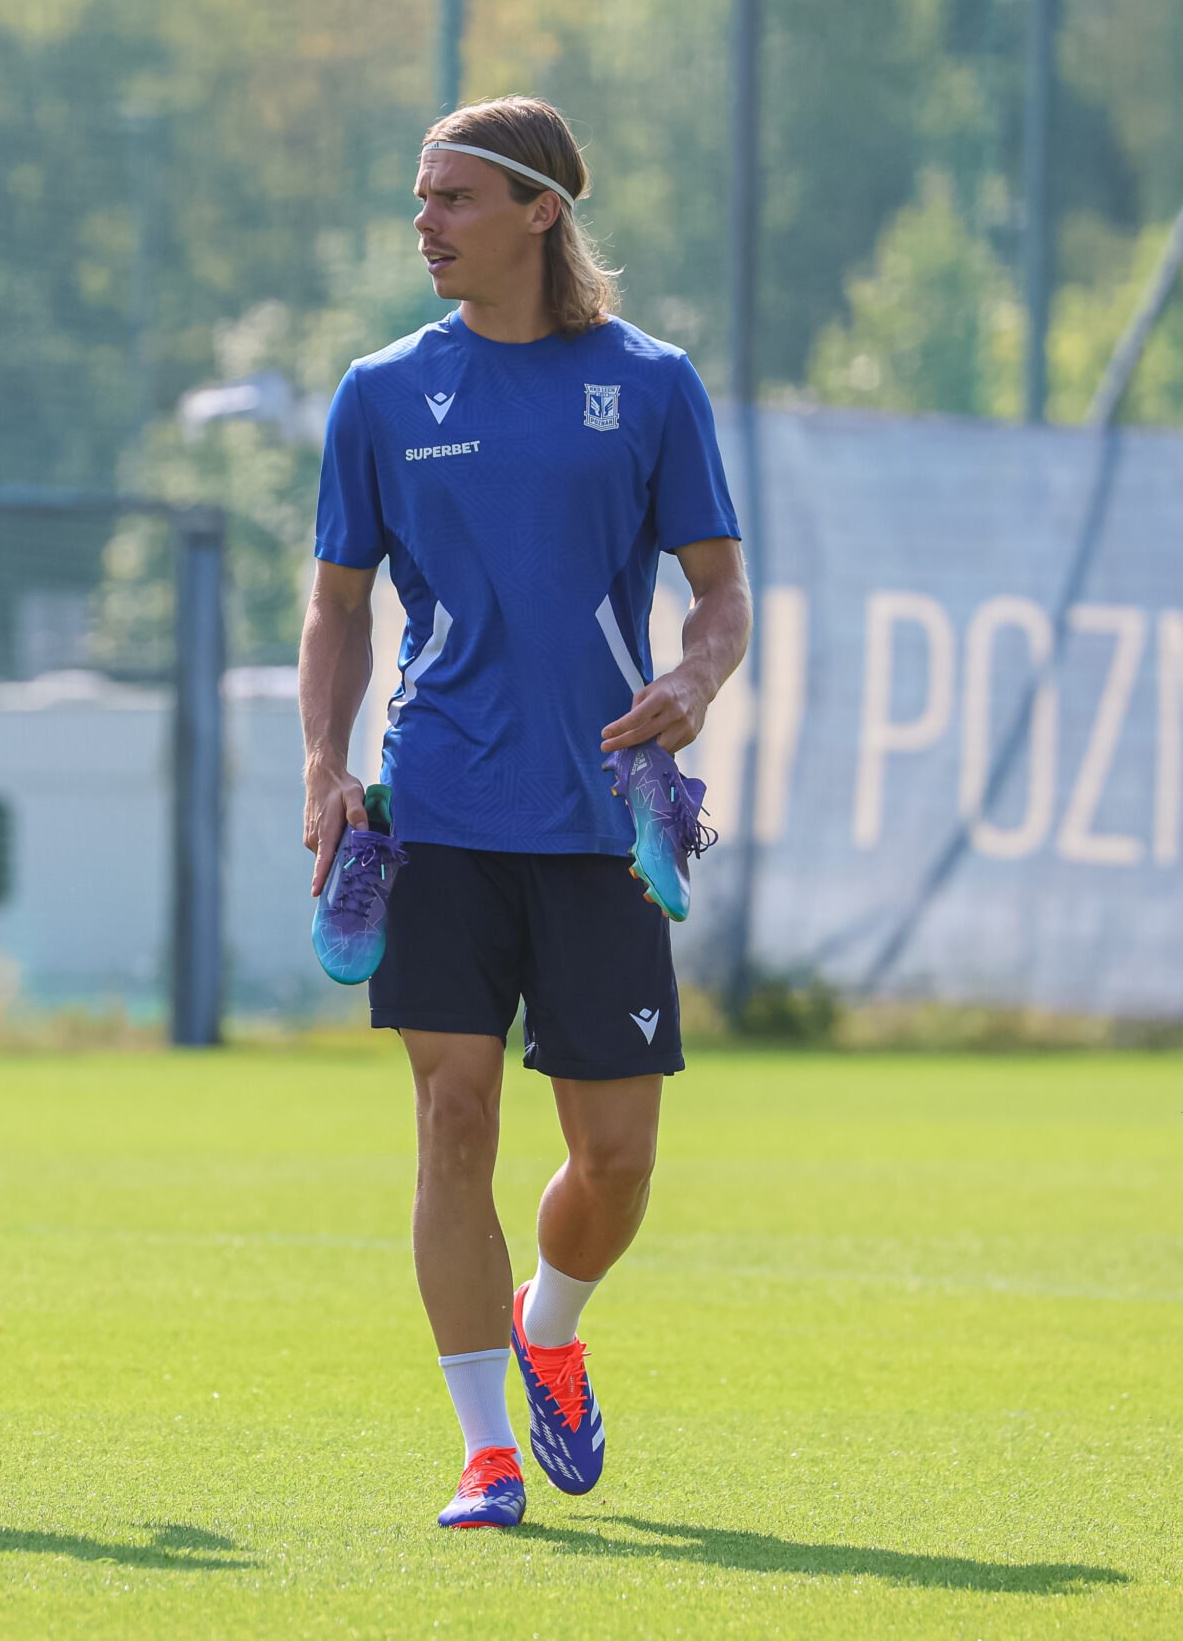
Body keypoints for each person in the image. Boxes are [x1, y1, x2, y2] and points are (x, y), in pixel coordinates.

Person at [297, 96, 751, 1528]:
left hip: (603, 821)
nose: (423, 223)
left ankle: (549, 1323)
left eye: (453, 199)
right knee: (452, 1118)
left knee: (615, 1159)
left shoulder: (653, 383)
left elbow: (723, 595)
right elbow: (337, 608)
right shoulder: (379, 392)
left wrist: (693, 678)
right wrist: (324, 765)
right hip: (431, 807)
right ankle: (485, 1451)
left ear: (540, 211)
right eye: (420, 197)